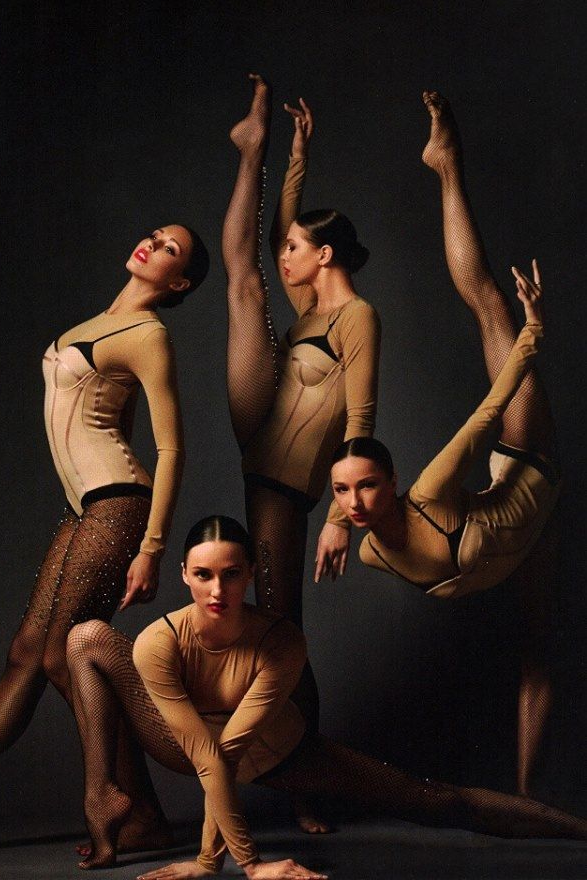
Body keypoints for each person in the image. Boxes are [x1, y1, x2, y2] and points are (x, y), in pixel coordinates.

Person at [0, 222, 209, 858]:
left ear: (179, 283)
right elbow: (120, 419)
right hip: (86, 509)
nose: (152, 244)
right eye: (154, 235)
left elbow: (169, 448)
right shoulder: (97, 322)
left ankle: (113, 799)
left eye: (169, 249)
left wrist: (153, 546)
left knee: (64, 655)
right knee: (27, 652)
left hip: (118, 507)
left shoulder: (148, 334)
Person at [66, 515, 587, 875]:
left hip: (279, 753)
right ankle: (103, 796)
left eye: (231, 575)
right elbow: (204, 753)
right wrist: (236, 864)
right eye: (202, 576)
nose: (217, 591)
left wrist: (226, 862)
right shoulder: (158, 642)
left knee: (433, 798)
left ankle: (578, 827)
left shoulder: (282, 641)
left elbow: (229, 752)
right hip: (191, 746)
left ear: (251, 574)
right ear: (184, 575)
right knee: (85, 637)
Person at [330, 91, 560, 795]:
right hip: (515, 546)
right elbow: (354, 491)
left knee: (488, 302)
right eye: (343, 495)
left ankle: (446, 166)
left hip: (526, 471)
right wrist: (336, 524)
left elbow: (489, 411)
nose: (356, 503)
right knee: (540, 655)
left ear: (394, 484)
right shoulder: (366, 549)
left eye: (367, 488)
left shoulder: (427, 491)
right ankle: (529, 807)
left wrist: (529, 339)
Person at [220, 76, 380, 816]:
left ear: (322, 255)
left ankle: (310, 776)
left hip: (286, 487)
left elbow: (361, 419)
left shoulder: (356, 317)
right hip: (261, 461)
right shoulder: (311, 308)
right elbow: (287, 218)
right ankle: (249, 150)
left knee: (283, 631)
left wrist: (345, 518)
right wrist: (297, 154)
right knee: (245, 282)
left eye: (294, 248)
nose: (287, 253)